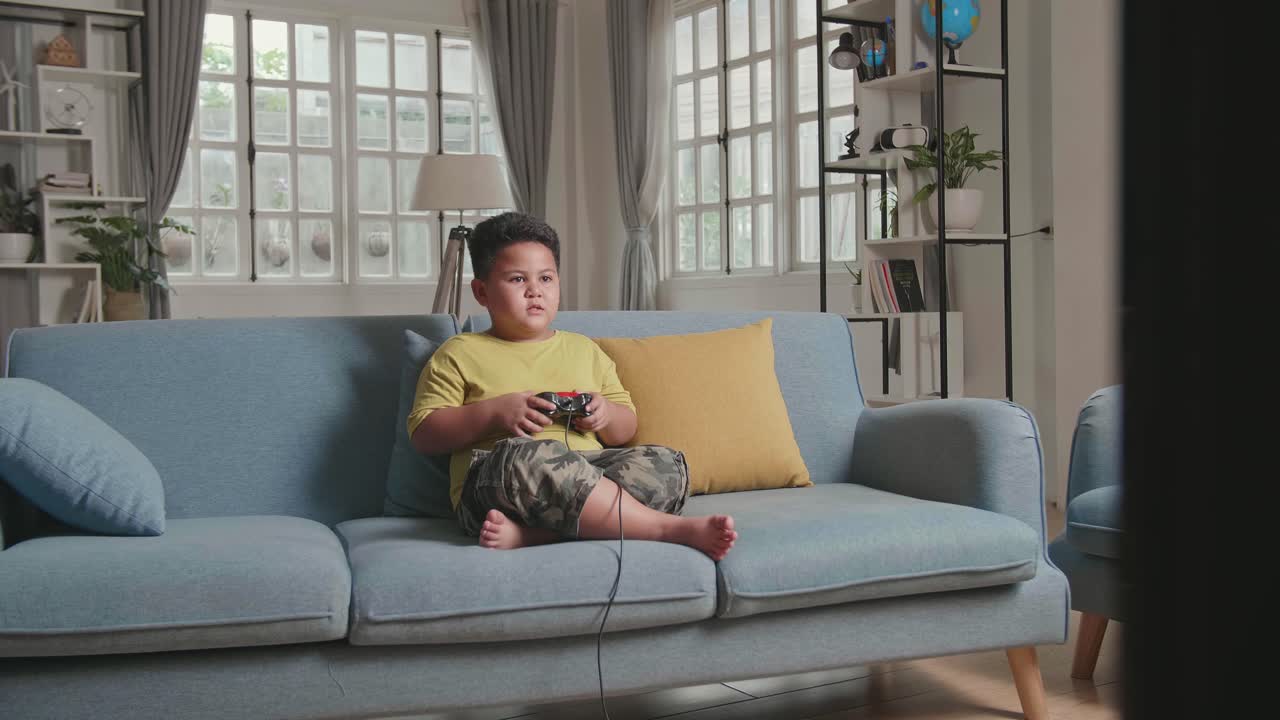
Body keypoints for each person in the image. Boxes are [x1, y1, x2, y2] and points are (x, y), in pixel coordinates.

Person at [408, 212, 737, 560]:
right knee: (528, 454)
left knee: (664, 463)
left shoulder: (584, 349)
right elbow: (425, 434)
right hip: (500, 485)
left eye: (546, 278)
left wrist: (604, 415)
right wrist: (494, 414)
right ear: (482, 291)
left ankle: (535, 536)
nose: (535, 290)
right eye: (518, 279)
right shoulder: (460, 352)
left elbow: (626, 429)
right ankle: (664, 528)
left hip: (588, 470)